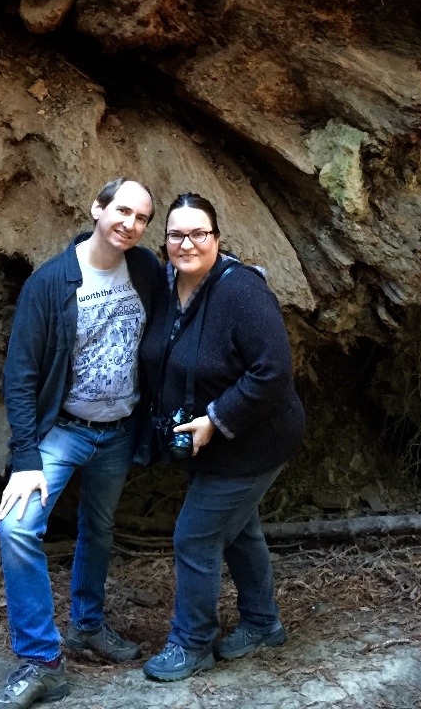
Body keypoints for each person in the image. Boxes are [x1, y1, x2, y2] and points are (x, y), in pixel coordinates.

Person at [0, 178, 165, 709]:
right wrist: (25, 459)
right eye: (122, 212)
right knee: (16, 527)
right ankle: (42, 661)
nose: (129, 225)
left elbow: (186, 295)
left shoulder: (146, 271)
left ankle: (88, 625)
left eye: (141, 219)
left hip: (120, 429)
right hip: (63, 431)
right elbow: (20, 375)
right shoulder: (52, 283)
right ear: (97, 209)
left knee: (100, 528)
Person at [138, 192, 305, 682]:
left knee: (195, 537)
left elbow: (273, 371)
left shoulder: (241, 292)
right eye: (175, 234)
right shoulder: (166, 285)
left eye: (198, 234)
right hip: (208, 442)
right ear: (164, 239)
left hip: (255, 440)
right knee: (240, 530)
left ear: (217, 238)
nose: (186, 243)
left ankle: (192, 643)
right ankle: (262, 622)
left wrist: (215, 419)